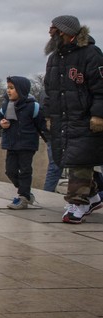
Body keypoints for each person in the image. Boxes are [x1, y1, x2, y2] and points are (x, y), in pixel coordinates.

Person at [43, 15, 103, 224]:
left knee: (80, 160)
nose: (50, 32)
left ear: (66, 32)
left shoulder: (91, 54)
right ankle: (93, 197)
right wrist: (49, 114)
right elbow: (50, 90)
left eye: (54, 28)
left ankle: (76, 203)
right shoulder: (54, 58)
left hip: (84, 118)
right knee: (68, 158)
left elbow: (100, 88)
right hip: (62, 119)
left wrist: (98, 114)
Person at [0, 76, 45, 210]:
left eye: (12, 88)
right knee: (10, 171)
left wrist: (49, 139)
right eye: (8, 88)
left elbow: (41, 125)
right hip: (11, 144)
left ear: (21, 90)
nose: (8, 91)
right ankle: (26, 192)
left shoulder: (33, 106)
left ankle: (23, 196)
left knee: (25, 171)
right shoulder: (6, 105)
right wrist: (0, 124)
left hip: (27, 144)